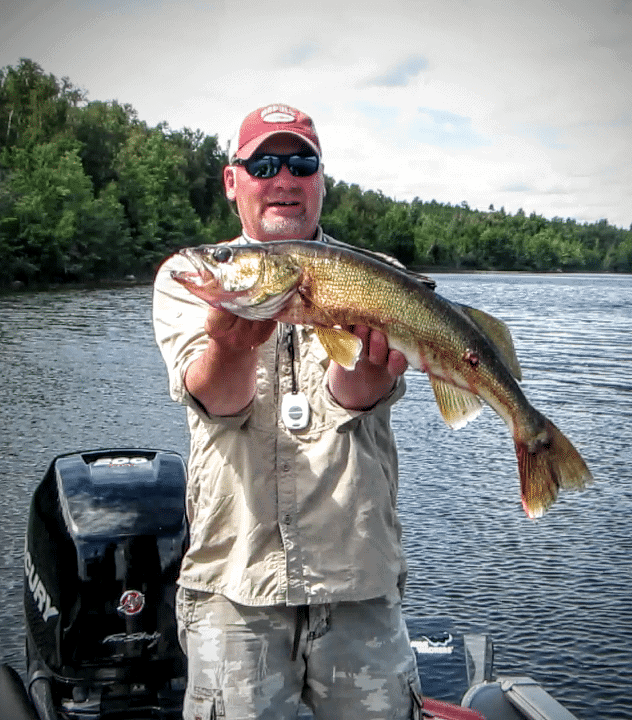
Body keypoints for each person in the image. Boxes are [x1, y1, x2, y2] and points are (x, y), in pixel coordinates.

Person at [151, 103, 421, 720]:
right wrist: (230, 345)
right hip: (236, 583)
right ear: (232, 180)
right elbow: (218, 401)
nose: (284, 178)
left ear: (321, 180)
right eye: (264, 164)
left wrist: (369, 371)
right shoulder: (192, 276)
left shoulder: (381, 279)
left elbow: (352, 398)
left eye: (301, 163)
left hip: (358, 580)